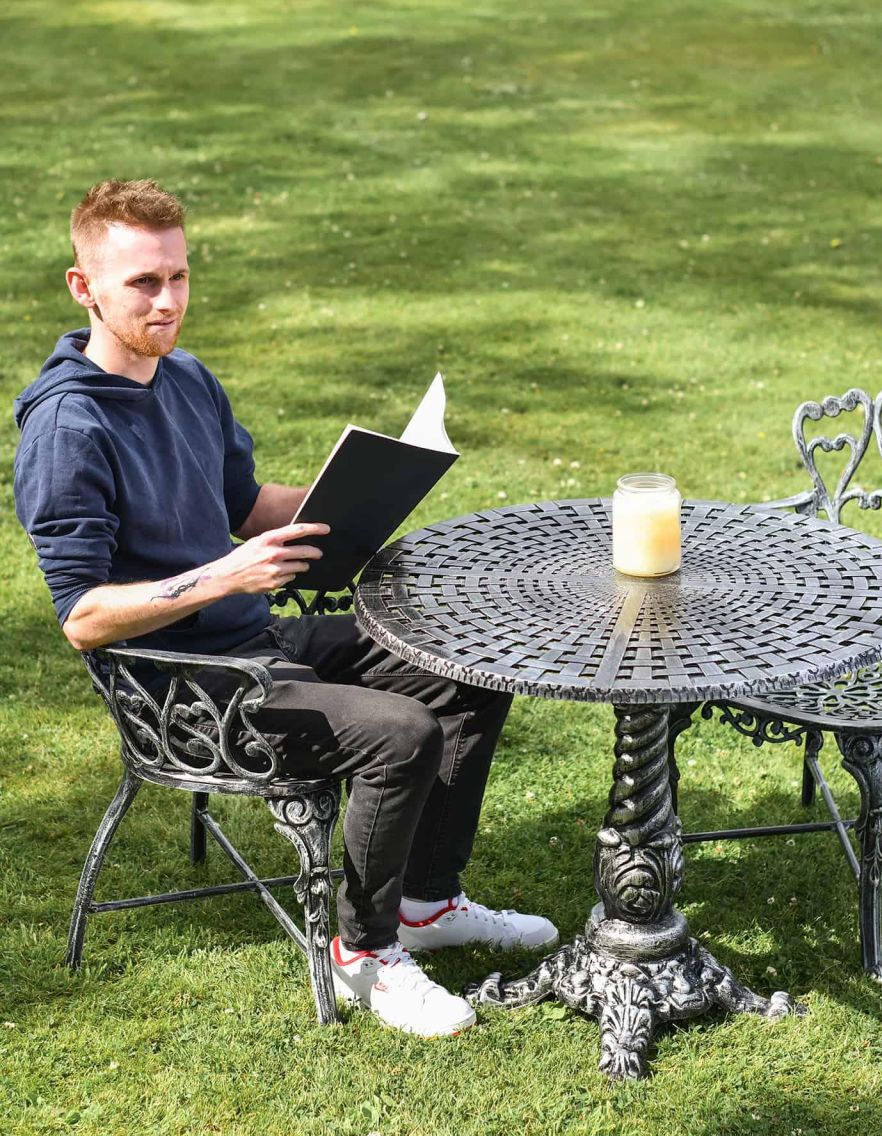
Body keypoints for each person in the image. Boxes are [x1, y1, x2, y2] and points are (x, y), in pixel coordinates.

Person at [13, 179, 557, 1038]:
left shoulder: (186, 379)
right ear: (84, 289)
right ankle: (364, 956)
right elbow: (82, 617)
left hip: (255, 636)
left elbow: (246, 505)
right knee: (400, 732)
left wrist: (364, 494)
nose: (167, 300)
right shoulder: (68, 429)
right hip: (183, 687)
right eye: (142, 284)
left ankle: (424, 901)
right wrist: (227, 578)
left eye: (179, 277)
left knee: (465, 662)